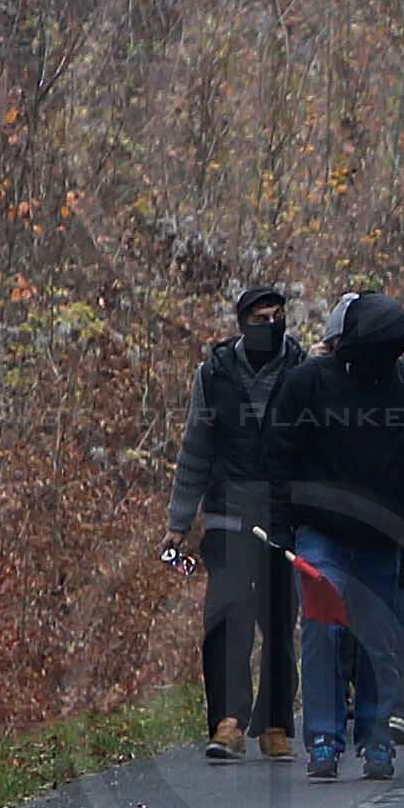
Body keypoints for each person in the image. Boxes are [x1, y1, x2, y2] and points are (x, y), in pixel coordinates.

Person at [274, 290, 404, 781]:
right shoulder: (309, 383)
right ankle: (324, 737)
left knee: (377, 637)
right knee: (323, 627)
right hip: (319, 532)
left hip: (380, 535)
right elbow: (280, 455)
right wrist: (281, 527)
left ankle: (375, 738)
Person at [165, 283, 306, 762]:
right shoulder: (215, 375)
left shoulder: (303, 372)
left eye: (277, 316)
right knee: (225, 617)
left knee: (278, 621)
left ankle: (275, 723)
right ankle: (227, 719)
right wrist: (179, 521)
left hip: (283, 517)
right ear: (242, 324)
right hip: (227, 513)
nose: (271, 325)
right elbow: (196, 450)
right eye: (260, 318)